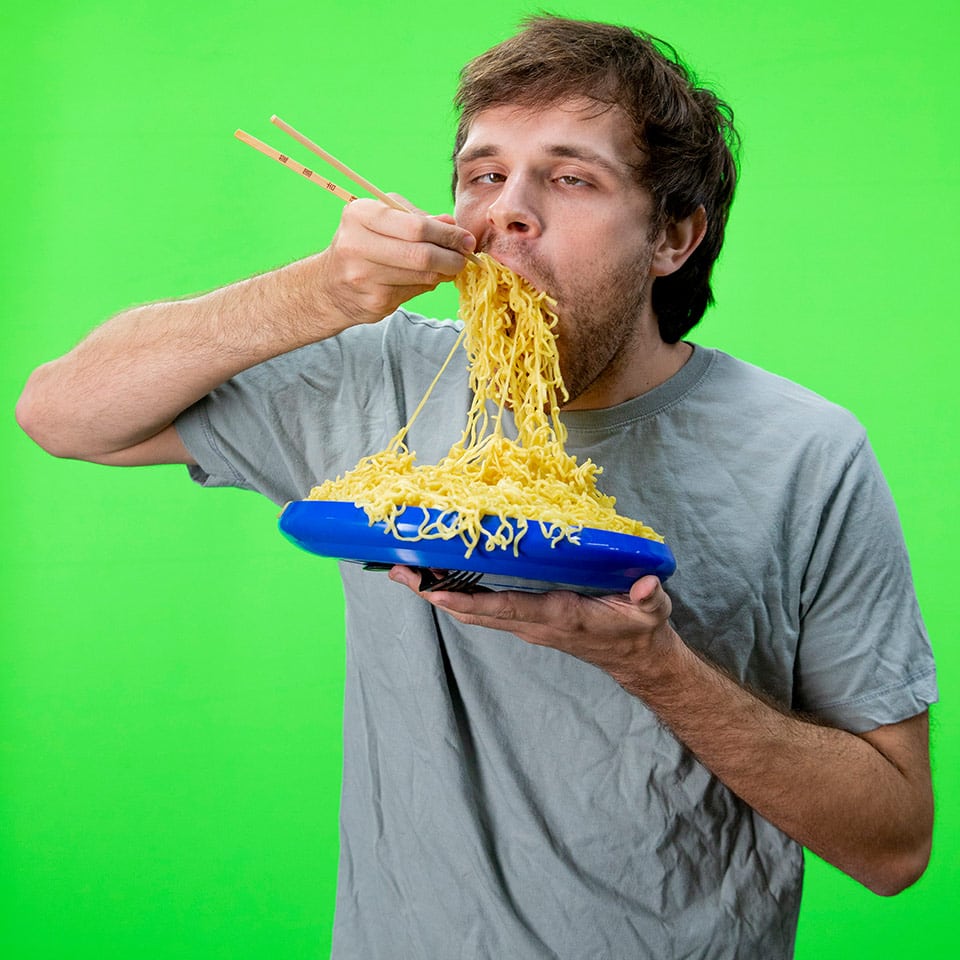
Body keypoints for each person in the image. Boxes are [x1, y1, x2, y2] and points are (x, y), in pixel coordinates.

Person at [16, 15, 936, 959]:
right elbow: (62, 413)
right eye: (484, 176)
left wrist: (652, 664)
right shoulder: (382, 385)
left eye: (572, 178)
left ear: (673, 235)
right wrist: (324, 292)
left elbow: (896, 843)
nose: (509, 212)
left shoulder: (805, 452)